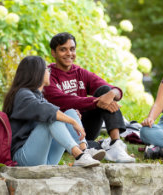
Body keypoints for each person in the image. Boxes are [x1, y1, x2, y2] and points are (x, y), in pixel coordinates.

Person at [43, 32, 135, 163]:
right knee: (98, 100)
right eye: (63, 49)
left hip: (85, 128)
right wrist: (96, 102)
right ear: (53, 53)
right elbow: (61, 100)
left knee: (105, 91)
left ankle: (116, 144)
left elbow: (114, 90)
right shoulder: (48, 75)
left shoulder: (80, 72)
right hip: (63, 130)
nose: (69, 53)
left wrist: (112, 94)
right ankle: (96, 146)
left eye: (72, 49)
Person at [3, 56, 106, 167]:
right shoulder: (23, 95)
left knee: (69, 112)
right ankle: (79, 155)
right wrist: (73, 122)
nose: (49, 73)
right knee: (52, 119)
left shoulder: (38, 96)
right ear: (37, 73)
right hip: (23, 158)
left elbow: (55, 112)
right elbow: (49, 112)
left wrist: (71, 118)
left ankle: (84, 150)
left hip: (44, 158)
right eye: (47, 70)